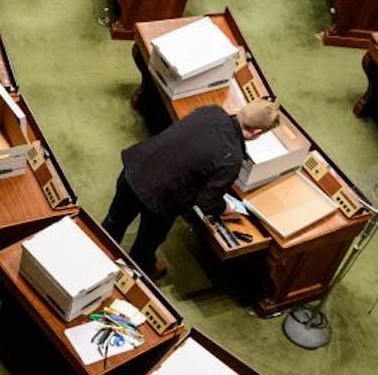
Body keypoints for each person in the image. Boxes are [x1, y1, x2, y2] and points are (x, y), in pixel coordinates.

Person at [102, 100, 280, 280]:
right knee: (146, 243)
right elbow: (206, 201)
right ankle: (139, 270)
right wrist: (224, 207)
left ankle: (97, 255)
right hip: (161, 199)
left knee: (114, 221)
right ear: (257, 131)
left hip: (137, 169)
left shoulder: (212, 111)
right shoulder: (233, 158)